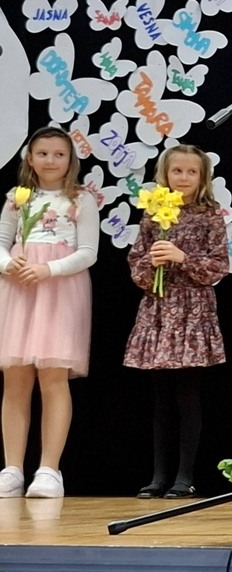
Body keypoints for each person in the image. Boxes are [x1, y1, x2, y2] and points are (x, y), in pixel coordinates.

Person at [124, 145, 230, 499]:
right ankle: (158, 475)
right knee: (161, 397)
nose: (183, 178)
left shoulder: (210, 215)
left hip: (191, 312)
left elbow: (218, 266)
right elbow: (136, 263)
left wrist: (182, 258)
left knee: (187, 394)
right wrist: (151, 264)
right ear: (165, 174)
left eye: (191, 172)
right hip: (159, 310)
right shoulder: (153, 214)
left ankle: (185, 476)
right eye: (177, 171)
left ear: (203, 178)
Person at [0, 127, 98, 499]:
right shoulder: (17, 198)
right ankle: (12, 469)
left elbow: (88, 252)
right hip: (20, 290)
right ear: (30, 157)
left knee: (53, 379)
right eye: (43, 153)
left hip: (59, 291)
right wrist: (7, 264)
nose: (50, 161)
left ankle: (48, 470)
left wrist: (48, 269)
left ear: (70, 159)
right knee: (15, 381)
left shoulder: (81, 199)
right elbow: (1, 242)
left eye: (59, 154)